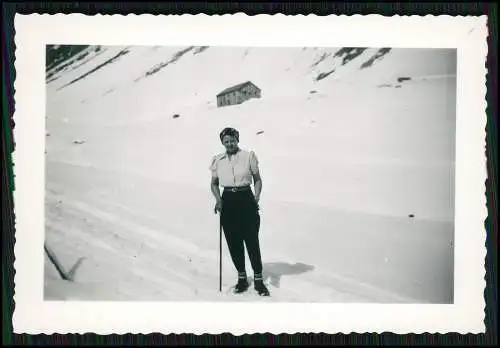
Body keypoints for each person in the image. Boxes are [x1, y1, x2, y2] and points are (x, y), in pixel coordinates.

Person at [209, 127, 270, 296]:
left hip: (246, 199)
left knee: (251, 240)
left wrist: (256, 196)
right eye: (226, 141)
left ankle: (258, 280)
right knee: (233, 242)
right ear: (223, 142)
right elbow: (214, 183)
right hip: (227, 201)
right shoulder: (217, 160)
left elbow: (257, 179)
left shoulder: (248, 156)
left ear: (237, 140)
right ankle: (242, 278)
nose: (229, 144)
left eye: (232, 140)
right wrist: (218, 199)